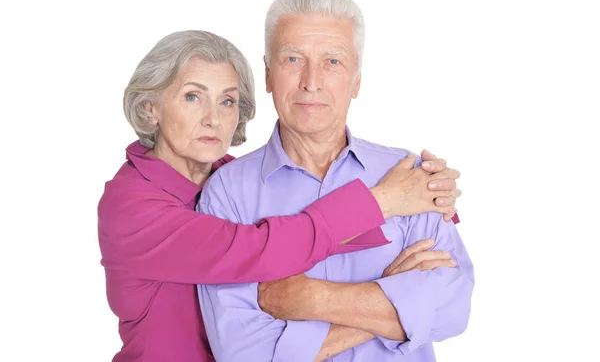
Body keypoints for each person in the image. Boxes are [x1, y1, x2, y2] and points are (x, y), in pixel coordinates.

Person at [98, 30, 461, 361]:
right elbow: (259, 249)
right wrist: (384, 209)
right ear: (151, 108)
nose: (213, 118)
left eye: (227, 101)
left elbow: (450, 302)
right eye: (193, 96)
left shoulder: (232, 179)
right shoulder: (131, 207)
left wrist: (428, 195)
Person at [197, 0, 474, 362]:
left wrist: (310, 298)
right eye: (293, 59)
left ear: (356, 80)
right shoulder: (226, 195)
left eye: (332, 62)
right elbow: (244, 352)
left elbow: (453, 309)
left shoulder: (410, 177)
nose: (312, 81)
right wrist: (393, 299)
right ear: (267, 75)